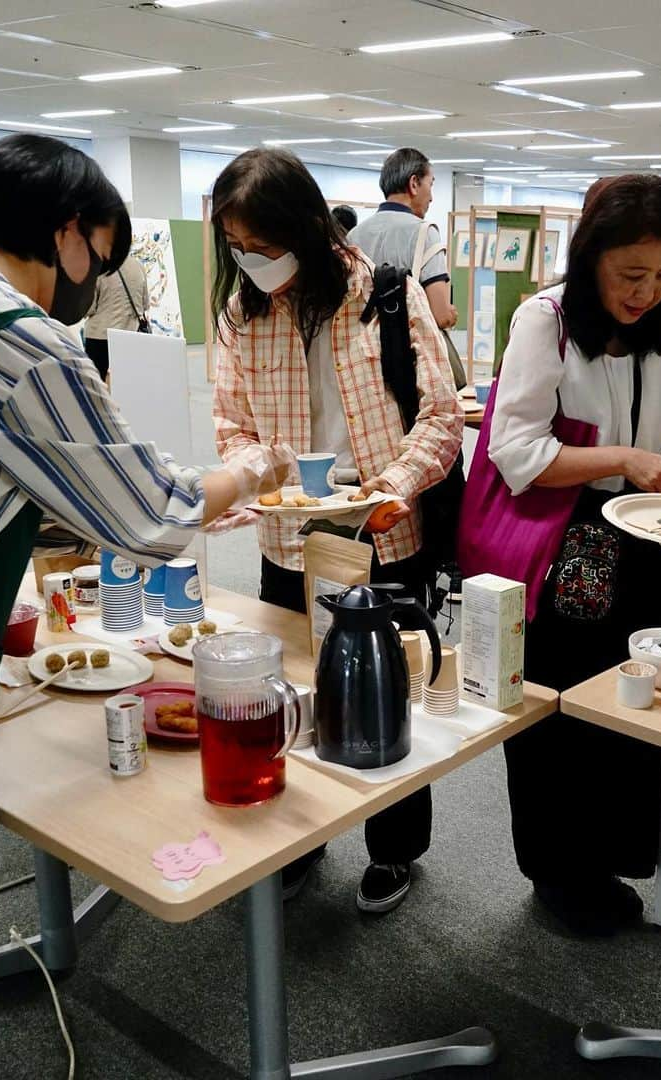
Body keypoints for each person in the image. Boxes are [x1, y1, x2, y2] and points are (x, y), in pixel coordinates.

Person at [0, 134, 292, 1080]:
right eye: (101, 250)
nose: (98, 276)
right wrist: (249, 469)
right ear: (66, 234)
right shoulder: (20, 337)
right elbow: (146, 516)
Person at [210, 148, 463, 914]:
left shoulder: (382, 294)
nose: (252, 265)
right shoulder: (241, 316)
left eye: (266, 247)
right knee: (293, 692)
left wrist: (394, 485)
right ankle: (303, 836)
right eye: (237, 250)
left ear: (309, 231)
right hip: (288, 543)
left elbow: (441, 417)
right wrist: (261, 473)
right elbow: (233, 426)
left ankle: (393, 851)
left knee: (389, 696)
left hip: (381, 532)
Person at [484, 174, 661, 935]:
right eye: (630, 274)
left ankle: (611, 859)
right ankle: (557, 873)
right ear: (591, 255)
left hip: (641, 540)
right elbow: (514, 451)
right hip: (564, 540)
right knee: (557, 713)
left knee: (635, 704)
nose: (647, 292)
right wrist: (625, 459)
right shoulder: (545, 321)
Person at [346, 148, 457, 330]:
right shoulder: (425, 233)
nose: (432, 198)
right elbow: (441, 316)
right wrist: (450, 314)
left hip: (361, 351)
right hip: (404, 351)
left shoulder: (354, 236)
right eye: (430, 185)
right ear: (414, 184)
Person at [83, 252, 149, 380]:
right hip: (130, 334)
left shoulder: (100, 267)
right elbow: (144, 304)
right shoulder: (138, 266)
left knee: (96, 381)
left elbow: (89, 308)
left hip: (100, 335)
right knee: (128, 381)